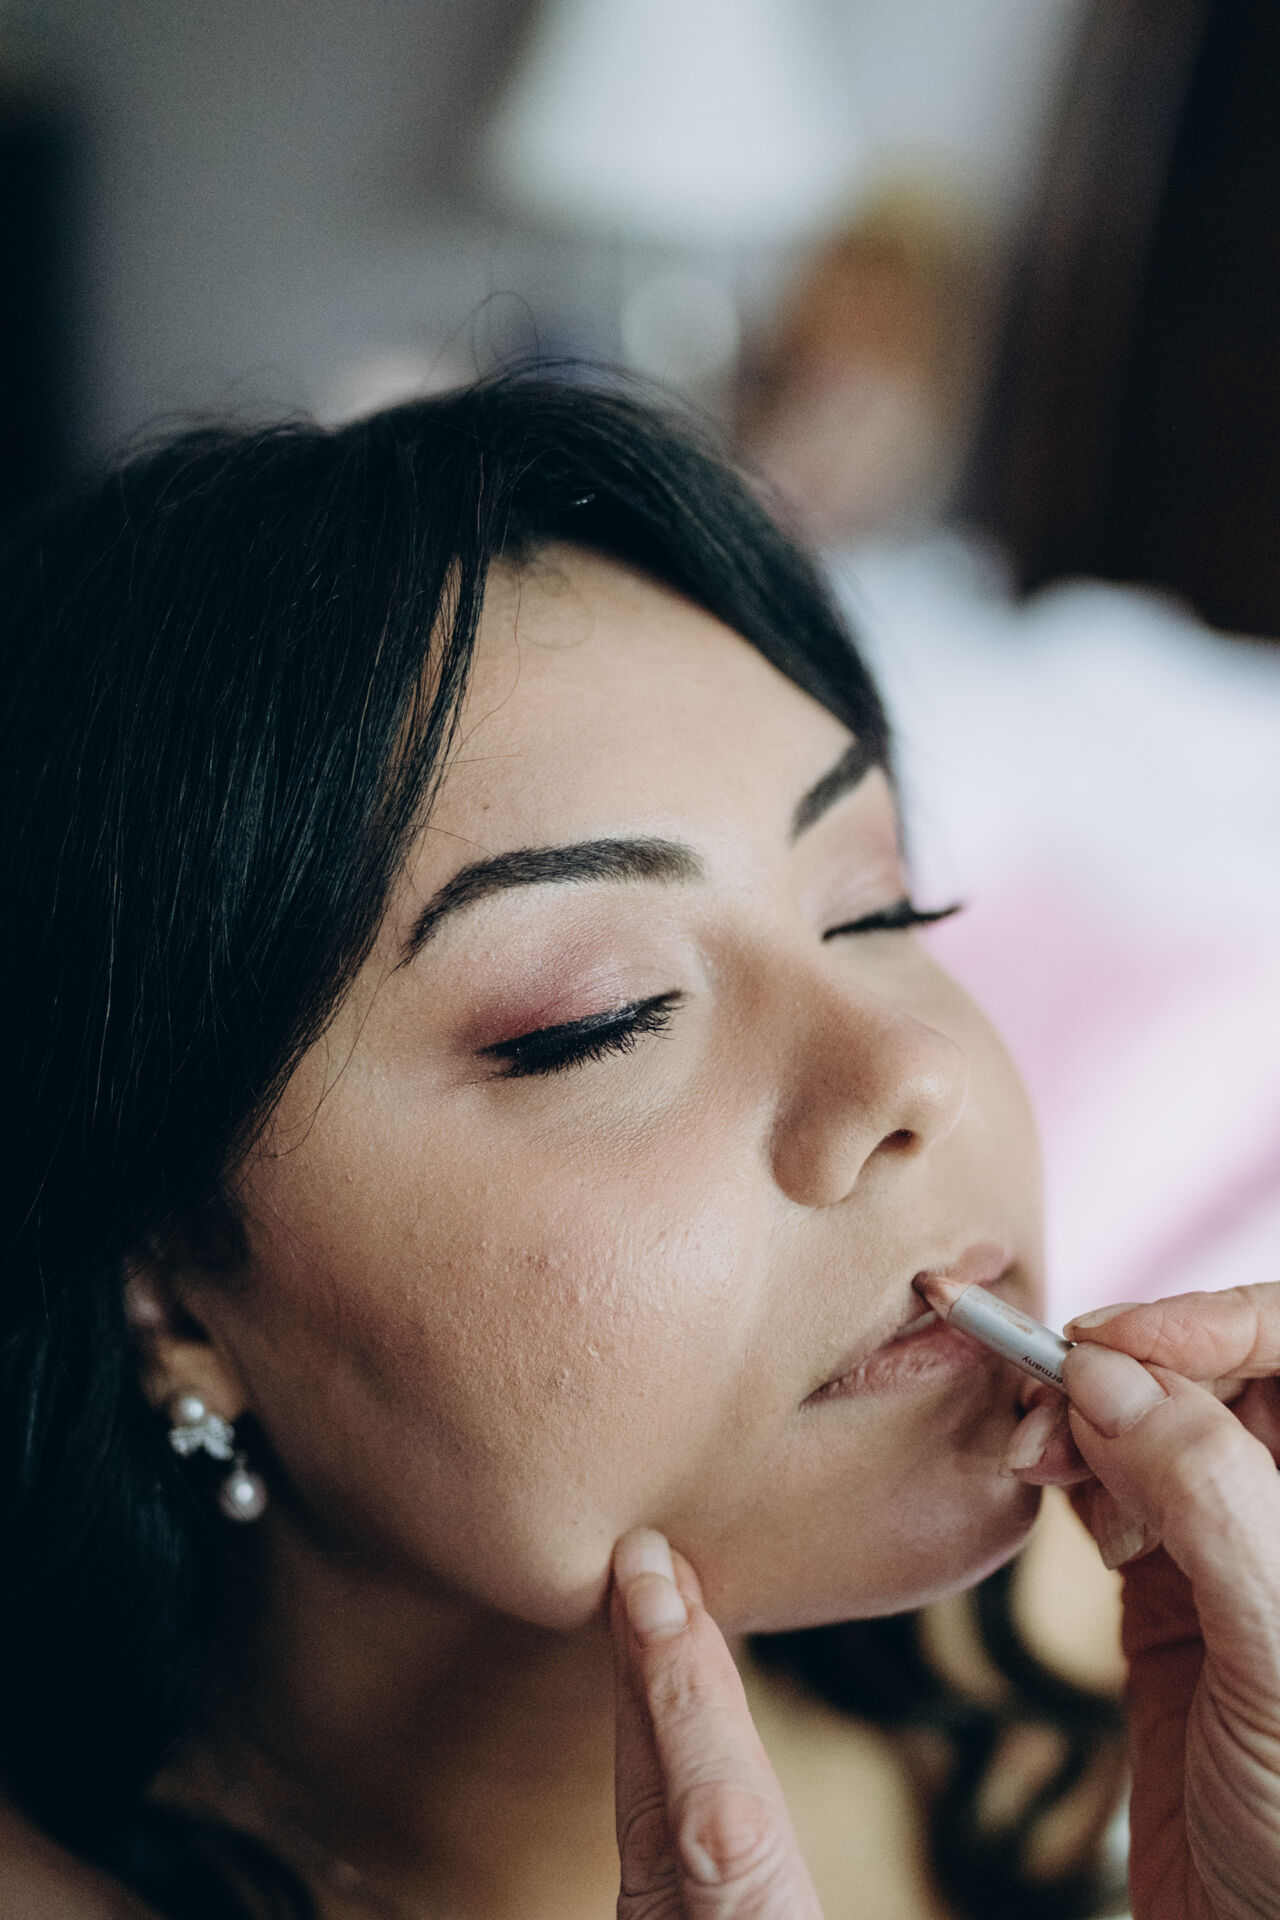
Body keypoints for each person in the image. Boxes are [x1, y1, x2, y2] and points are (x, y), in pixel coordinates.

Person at [1, 374, 1276, 1920]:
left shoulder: (1168, 1630)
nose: (916, 1072)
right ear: (175, 1297)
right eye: (602, 1018)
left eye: (877, 907)